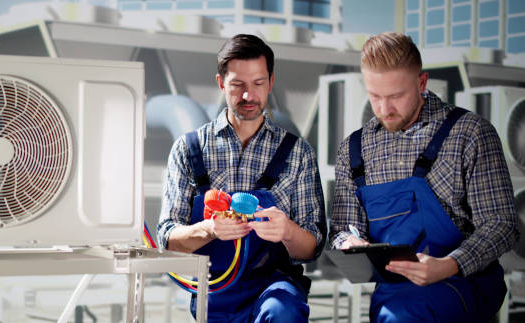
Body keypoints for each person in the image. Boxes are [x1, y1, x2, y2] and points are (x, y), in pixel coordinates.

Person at [329, 31, 519, 322]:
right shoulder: (354, 150)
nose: (384, 109)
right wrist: (348, 243)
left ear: (421, 83)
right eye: (375, 96)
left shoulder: (469, 134)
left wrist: (450, 264)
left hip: (463, 286)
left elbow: (502, 224)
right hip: (392, 294)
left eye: (396, 96)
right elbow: (343, 227)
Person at [157, 34, 326, 322]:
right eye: (238, 85)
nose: (248, 96)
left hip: (274, 286)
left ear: (271, 82)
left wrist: (287, 231)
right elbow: (167, 239)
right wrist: (210, 228)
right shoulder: (188, 150)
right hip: (213, 292)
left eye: (258, 84)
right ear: (221, 83)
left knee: (282, 311)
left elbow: (313, 247)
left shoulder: (298, 153)